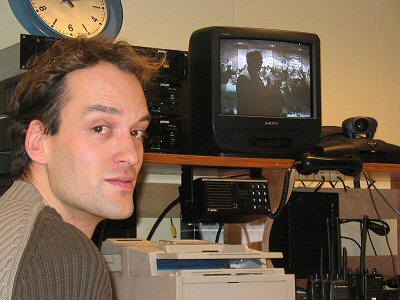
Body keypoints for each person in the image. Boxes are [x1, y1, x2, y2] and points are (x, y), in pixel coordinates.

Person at [0, 36, 159, 299]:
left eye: (137, 132)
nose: (131, 155)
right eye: (100, 128)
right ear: (39, 142)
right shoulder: (63, 257)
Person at [236, 49, 284, 116]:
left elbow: (260, 93)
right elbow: (253, 102)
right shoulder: (244, 78)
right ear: (252, 62)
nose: (262, 62)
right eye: (260, 60)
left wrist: (268, 85)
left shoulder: (255, 74)